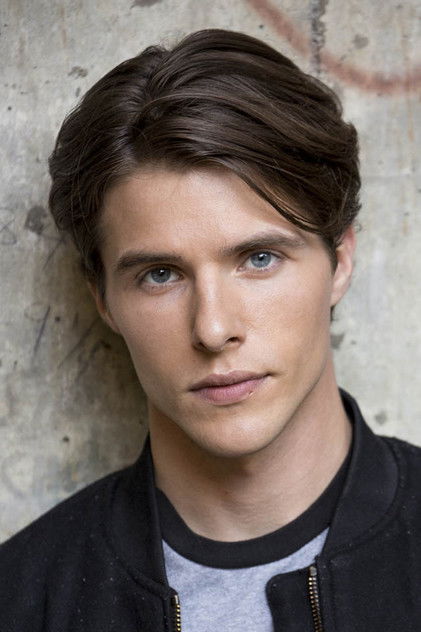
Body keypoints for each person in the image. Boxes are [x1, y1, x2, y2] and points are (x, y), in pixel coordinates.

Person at [0, 28, 420, 632]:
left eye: (259, 259)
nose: (213, 328)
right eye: (160, 275)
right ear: (103, 299)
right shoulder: (22, 599)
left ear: (341, 261)